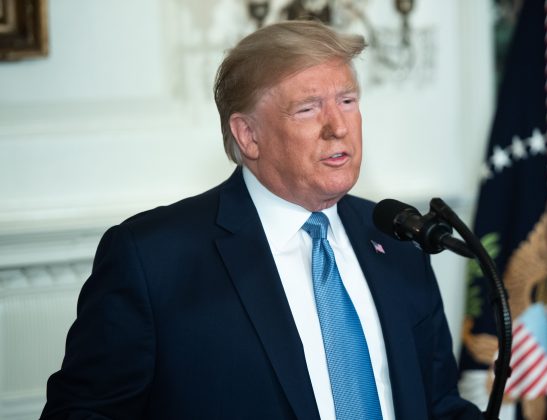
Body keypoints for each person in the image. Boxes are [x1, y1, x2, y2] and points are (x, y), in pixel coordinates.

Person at [41, 20, 483, 420]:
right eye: (308, 108)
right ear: (248, 135)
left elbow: (438, 406)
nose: (338, 127)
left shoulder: (397, 238)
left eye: (347, 100)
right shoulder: (153, 259)